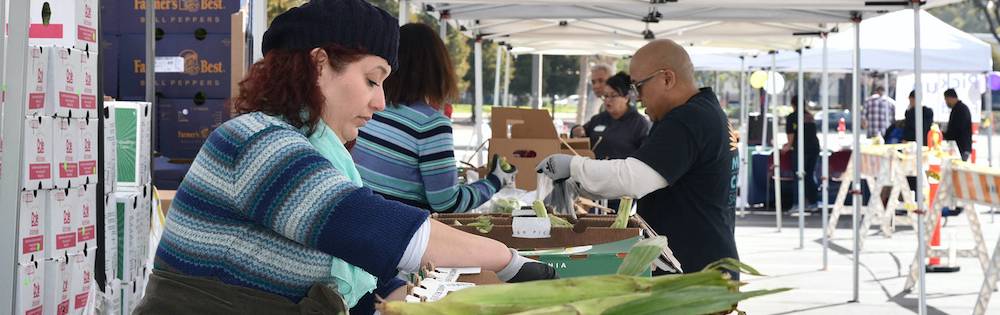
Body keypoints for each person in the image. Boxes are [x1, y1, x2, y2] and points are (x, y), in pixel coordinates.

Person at [137, 2, 555, 314]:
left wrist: (394, 294)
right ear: (319, 64)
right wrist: (507, 260)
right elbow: (365, 226)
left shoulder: (315, 149)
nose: (380, 101)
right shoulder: (254, 141)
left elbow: (357, 259)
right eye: (372, 79)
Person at [536, 39, 739, 278]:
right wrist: (580, 184)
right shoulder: (706, 112)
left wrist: (572, 166)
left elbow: (633, 179)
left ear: (667, 78)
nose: (638, 98)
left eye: (639, 86)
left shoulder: (688, 119)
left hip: (694, 273)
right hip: (706, 264)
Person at [353, 23, 512, 212]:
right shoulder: (430, 124)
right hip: (398, 233)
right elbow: (447, 203)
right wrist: (494, 181)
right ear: (437, 68)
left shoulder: (370, 108)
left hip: (360, 222)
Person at [578, 72, 652, 160]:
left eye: (613, 96)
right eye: (605, 96)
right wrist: (577, 129)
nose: (608, 100)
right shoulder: (598, 119)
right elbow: (580, 134)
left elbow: (645, 154)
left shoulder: (639, 123)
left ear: (626, 98)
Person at [780, 96, 820, 210]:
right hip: (814, 148)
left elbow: (790, 139)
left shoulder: (792, 117)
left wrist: (786, 146)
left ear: (793, 105)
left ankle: (797, 204)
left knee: (799, 175)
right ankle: (813, 203)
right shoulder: (809, 116)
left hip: (801, 148)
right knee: (810, 176)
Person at [571, 64, 614, 137]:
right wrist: (577, 129)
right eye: (593, 82)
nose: (596, 86)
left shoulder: (617, 106)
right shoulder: (603, 106)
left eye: (601, 81)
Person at [943, 88, 973, 161]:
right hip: (961, 147)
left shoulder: (960, 110)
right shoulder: (959, 108)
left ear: (950, 98)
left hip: (961, 147)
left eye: (946, 100)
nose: (946, 102)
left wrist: (946, 135)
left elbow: (956, 129)